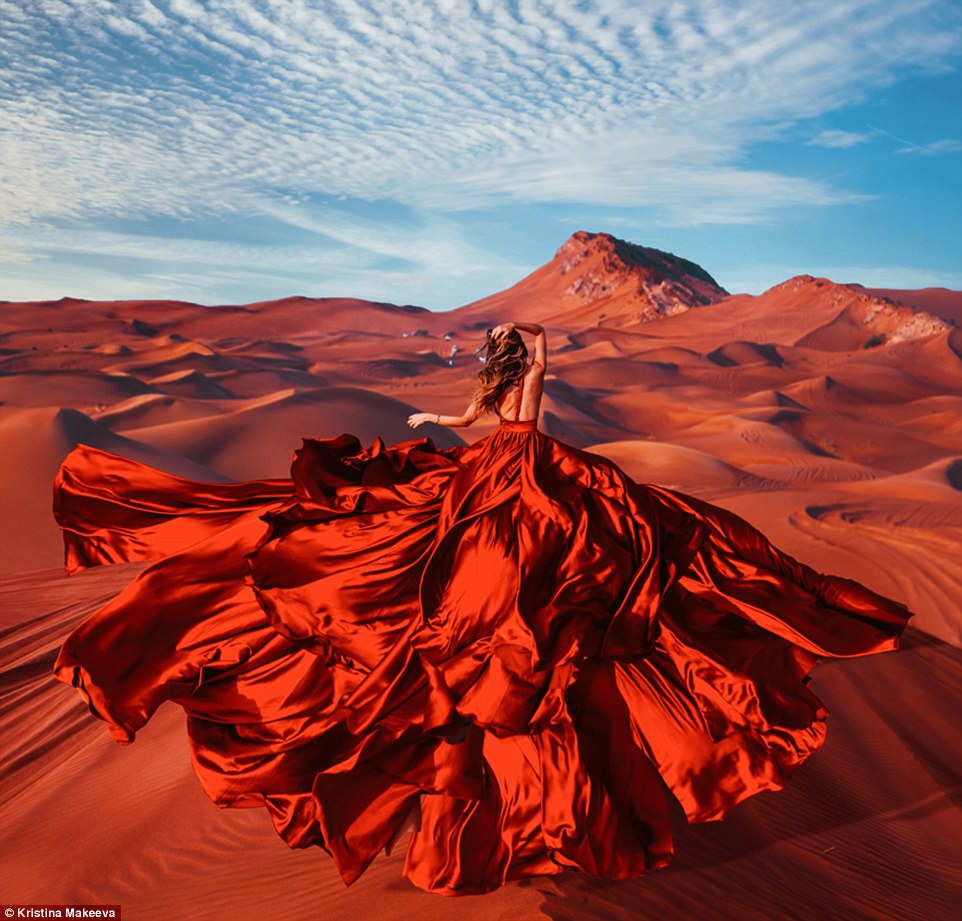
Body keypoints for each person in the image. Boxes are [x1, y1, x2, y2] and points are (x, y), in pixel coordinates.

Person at [53, 320, 911, 896]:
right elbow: (473, 411)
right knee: (428, 552)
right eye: (509, 351)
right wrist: (436, 411)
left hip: (524, 468)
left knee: (537, 555)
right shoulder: (499, 387)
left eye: (503, 350)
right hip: (500, 463)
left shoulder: (523, 376)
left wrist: (526, 351)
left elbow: (523, 389)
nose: (507, 356)